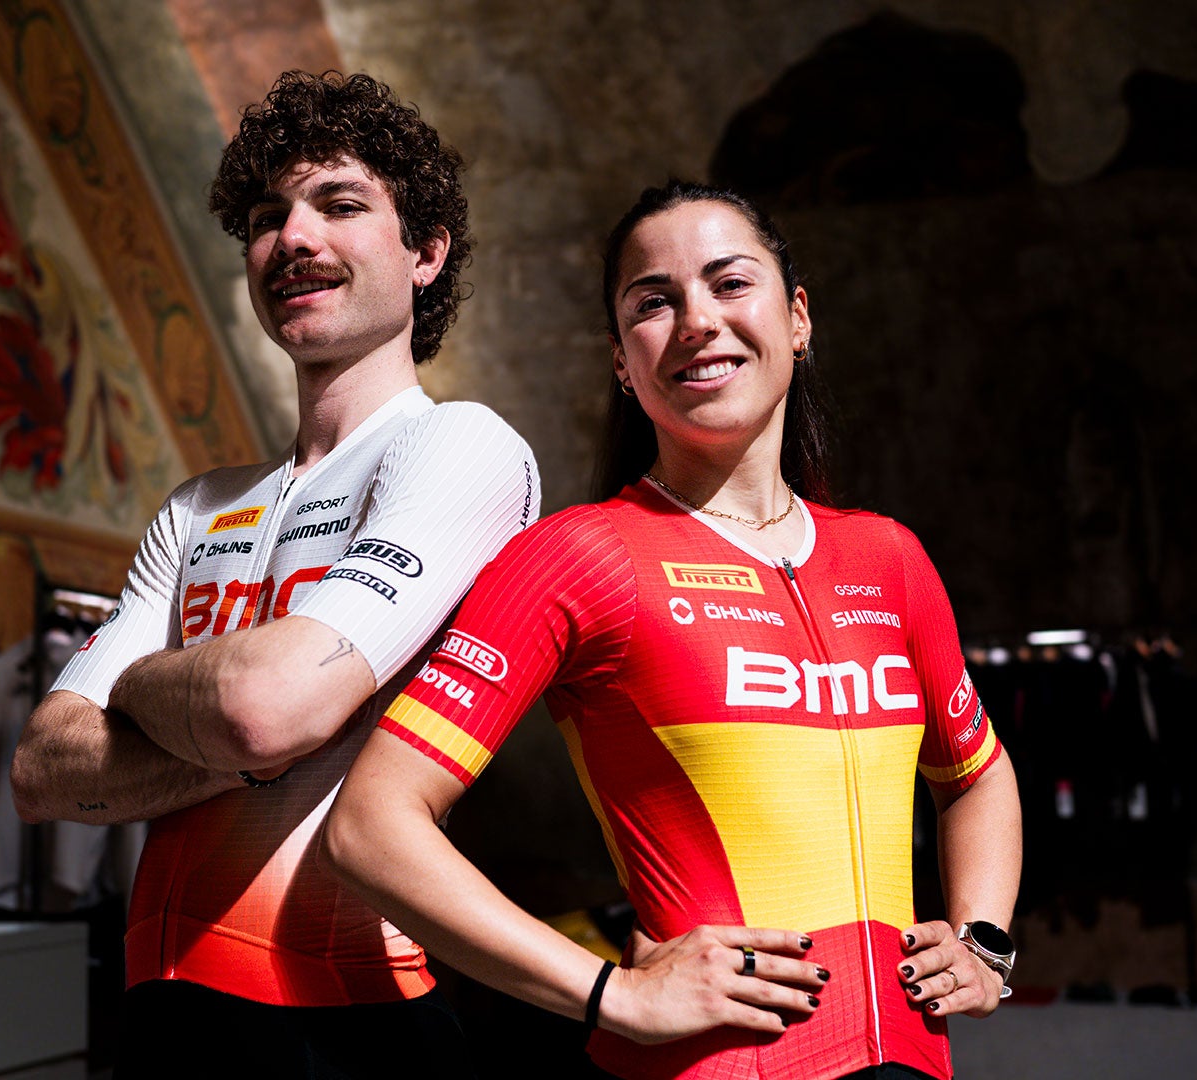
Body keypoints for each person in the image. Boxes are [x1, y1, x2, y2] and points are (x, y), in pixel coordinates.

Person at [324, 181, 1022, 1080]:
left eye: (730, 283)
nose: (697, 321)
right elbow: (370, 825)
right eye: (654, 302)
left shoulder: (889, 559)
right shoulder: (576, 556)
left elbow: (977, 775)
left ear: (797, 318)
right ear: (622, 359)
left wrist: (985, 943)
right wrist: (612, 994)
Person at [10, 71, 537, 1077]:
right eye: (266, 217)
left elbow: (263, 708)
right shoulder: (197, 505)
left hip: (348, 1013)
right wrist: (261, 728)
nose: (293, 237)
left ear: (425, 254)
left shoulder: (457, 446)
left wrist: (141, 688)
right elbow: (43, 769)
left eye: (339, 204)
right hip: (165, 1017)